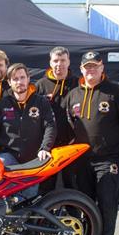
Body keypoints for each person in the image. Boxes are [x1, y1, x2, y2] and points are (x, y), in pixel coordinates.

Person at [66, 51, 119, 235]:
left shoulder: (116, 92)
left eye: (95, 66)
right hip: (80, 161)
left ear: (102, 68)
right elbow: (68, 127)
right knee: (83, 204)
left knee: (107, 203)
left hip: (107, 160)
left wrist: (108, 147)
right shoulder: (73, 94)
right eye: (87, 67)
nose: (90, 70)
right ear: (81, 69)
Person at [0, 63, 56, 198]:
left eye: (22, 77)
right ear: (9, 82)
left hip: (33, 159)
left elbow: (50, 126)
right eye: (15, 79)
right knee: (3, 184)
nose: (19, 82)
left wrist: (45, 148)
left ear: (28, 78)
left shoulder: (41, 102)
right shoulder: (1, 104)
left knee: (29, 197)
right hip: (9, 157)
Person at [36, 46, 79, 192]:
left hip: (71, 144)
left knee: (71, 185)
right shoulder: (40, 85)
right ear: (50, 62)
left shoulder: (78, 84)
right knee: (46, 186)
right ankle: (45, 215)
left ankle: (73, 214)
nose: (59, 64)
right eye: (55, 60)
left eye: (62, 60)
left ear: (68, 62)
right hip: (48, 146)